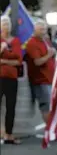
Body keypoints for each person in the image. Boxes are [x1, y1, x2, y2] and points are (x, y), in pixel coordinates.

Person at [25, 19, 56, 123]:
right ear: (35, 30)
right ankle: (49, 129)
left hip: (50, 79)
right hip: (41, 80)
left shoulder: (45, 41)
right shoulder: (32, 43)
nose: (43, 31)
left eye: (44, 29)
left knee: (52, 105)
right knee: (46, 106)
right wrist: (49, 55)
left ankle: (52, 128)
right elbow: (37, 62)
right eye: (41, 29)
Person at [0, 15, 22, 144]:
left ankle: (9, 134)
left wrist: (3, 60)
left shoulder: (15, 41)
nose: (6, 26)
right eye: (3, 23)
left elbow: (18, 60)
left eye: (7, 24)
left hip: (12, 78)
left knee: (10, 106)